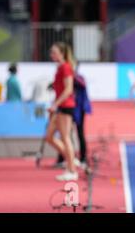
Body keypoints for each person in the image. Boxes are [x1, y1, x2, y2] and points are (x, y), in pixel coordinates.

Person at [44, 42, 78, 181]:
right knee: (50, 137)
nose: (52, 54)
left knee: (65, 138)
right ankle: (71, 159)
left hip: (65, 106)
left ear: (62, 53)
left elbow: (69, 89)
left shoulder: (66, 67)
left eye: (54, 52)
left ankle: (71, 170)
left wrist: (55, 105)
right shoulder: (60, 68)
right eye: (51, 52)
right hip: (59, 106)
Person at [55, 62, 92, 168]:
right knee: (65, 133)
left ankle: (83, 158)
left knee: (80, 132)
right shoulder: (65, 78)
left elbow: (82, 84)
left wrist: (73, 77)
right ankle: (63, 158)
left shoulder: (79, 78)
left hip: (80, 109)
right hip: (69, 108)